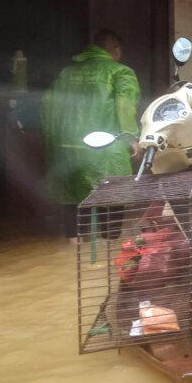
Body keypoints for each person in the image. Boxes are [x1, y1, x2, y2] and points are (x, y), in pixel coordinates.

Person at [41, 29, 141, 239]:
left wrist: (54, 142)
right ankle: (109, 244)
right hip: (106, 149)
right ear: (115, 49)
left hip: (69, 149)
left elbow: (48, 107)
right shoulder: (120, 72)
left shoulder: (66, 73)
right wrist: (131, 136)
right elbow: (125, 105)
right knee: (113, 195)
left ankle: (72, 247)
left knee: (73, 197)